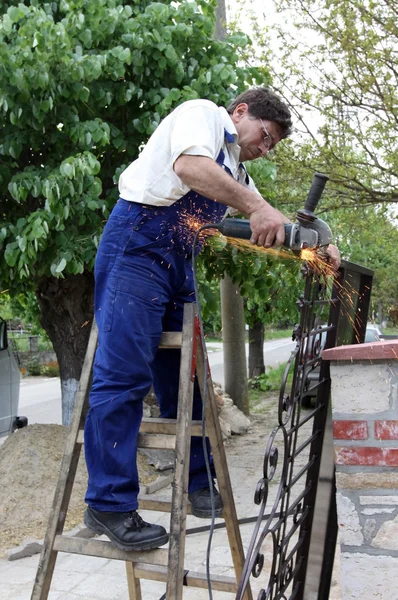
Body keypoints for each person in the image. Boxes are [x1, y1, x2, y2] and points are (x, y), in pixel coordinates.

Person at [83, 87, 338, 552]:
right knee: (123, 378)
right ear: (240, 112)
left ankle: (198, 483)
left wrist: (321, 242)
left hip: (177, 263)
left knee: (192, 382)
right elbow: (189, 169)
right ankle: (109, 503)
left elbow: (270, 224)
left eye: (273, 145)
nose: (266, 149)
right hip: (136, 247)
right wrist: (257, 207)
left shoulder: (235, 169)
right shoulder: (201, 114)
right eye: (266, 136)